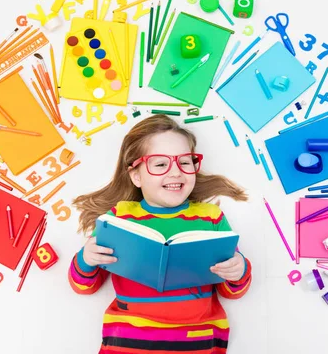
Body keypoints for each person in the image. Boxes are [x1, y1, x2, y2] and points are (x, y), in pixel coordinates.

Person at [69, 114, 252, 353]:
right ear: (136, 175)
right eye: (160, 164)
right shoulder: (119, 217)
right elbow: (84, 286)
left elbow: (233, 291)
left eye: (185, 162)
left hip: (198, 344)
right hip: (128, 344)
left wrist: (239, 270)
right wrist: (86, 258)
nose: (176, 172)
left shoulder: (211, 217)